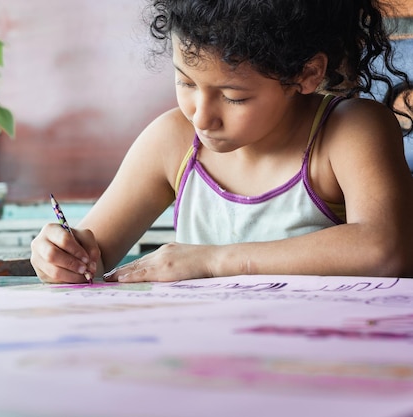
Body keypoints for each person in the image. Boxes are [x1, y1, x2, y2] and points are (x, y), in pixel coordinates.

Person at [31, 0, 413, 284]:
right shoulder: (172, 142)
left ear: (307, 73)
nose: (200, 116)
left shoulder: (349, 131)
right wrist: (62, 257)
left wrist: (213, 262)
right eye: (185, 82)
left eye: (234, 97)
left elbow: (385, 249)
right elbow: (89, 258)